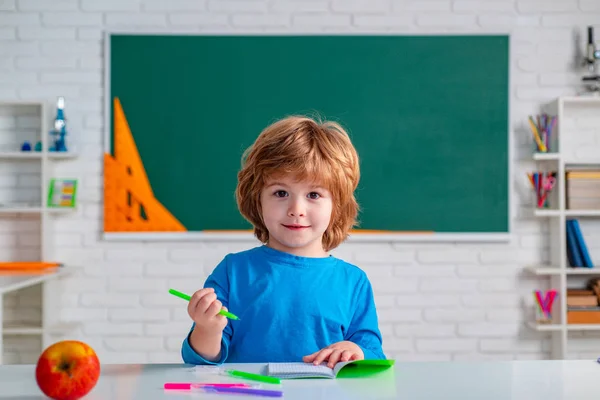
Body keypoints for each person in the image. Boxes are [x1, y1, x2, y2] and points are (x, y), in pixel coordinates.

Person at [181, 115, 385, 368]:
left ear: (337, 205)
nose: (296, 209)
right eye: (280, 193)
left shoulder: (353, 281)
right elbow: (201, 359)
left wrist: (356, 351)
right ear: (258, 200)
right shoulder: (233, 271)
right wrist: (207, 328)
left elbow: (374, 353)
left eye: (313, 194)